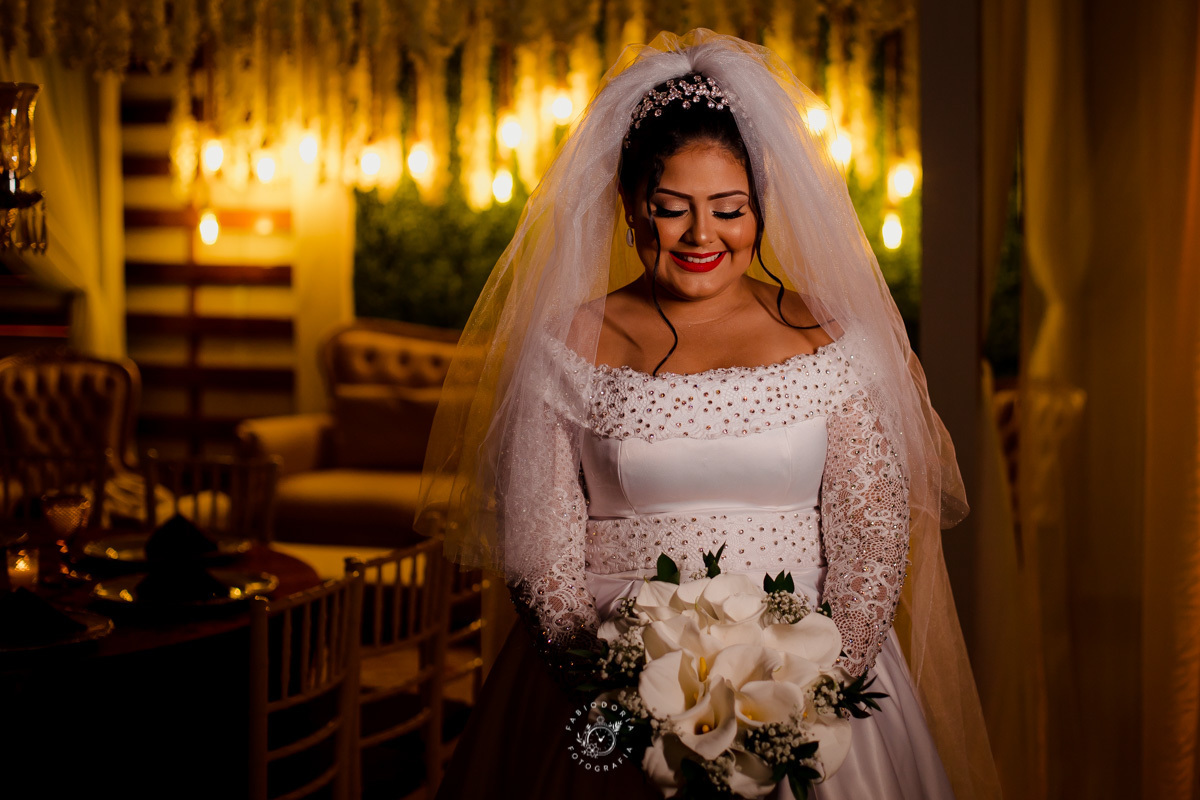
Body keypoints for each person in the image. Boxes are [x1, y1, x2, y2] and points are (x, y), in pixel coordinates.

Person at [417, 29, 1000, 800]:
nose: (701, 236)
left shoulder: (830, 334)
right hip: (605, 694)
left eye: (729, 209)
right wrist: (624, 702)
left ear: (763, 208)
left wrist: (805, 702)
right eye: (672, 209)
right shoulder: (564, 345)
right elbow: (542, 563)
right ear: (630, 206)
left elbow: (873, 538)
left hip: (810, 689)